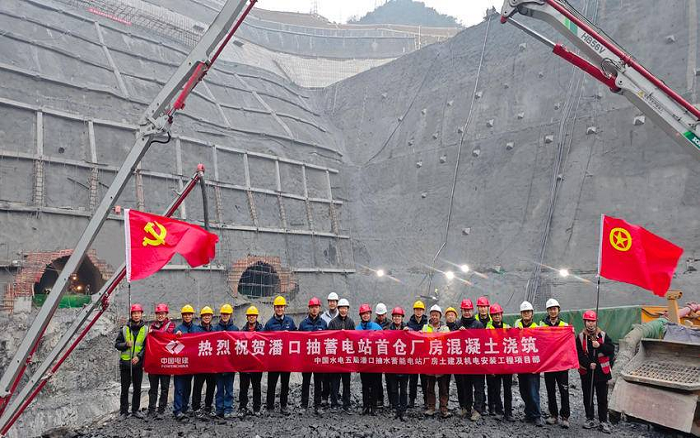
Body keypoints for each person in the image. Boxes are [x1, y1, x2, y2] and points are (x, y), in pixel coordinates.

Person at [577, 310, 614, 434]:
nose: (590, 324)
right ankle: (590, 418)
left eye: (592, 321)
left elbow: (611, 349)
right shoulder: (580, 337)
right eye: (588, 321)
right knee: (588, 396)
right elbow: (579, 354)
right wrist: (588, 364)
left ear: (596, 322)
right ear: (584, 322)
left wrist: (600, 346)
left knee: (602, 398)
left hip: (602, 373)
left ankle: (603, 421)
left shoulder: (603, 335)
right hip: (587, 373)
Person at [264, 295, 297, 415]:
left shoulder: (290, 321)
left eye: (281, 307)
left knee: (285, 384)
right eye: (277, 307)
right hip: (273, 360)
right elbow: (264, 340)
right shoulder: (269, 323)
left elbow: (297, 336)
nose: (279, 309)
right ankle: (270, 406)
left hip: (286, 360)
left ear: (284, 308)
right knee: (271, 384)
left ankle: (284, 406)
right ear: (274, 308)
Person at [540, 298, 570, 428]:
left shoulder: (564, 325)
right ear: (547, 311)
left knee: (564, 390)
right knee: (550, 390)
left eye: (555, 309)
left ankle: (565, 416)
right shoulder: (542, 325)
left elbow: (569, 344)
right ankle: (553, 415)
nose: (553, 311)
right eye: (550, 309)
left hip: (562, 365)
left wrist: (571, 333)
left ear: (558, 310)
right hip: (549, 364)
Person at [115, 304, 147, 419]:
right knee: (124, 389)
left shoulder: (146, 330)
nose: (136, 315)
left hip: (137, 364)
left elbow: (146, 346)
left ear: (141, 314)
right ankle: (124, 411)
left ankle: (135, 410)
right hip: (125, 364)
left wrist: (139, 357)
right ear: (131, 315)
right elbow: (117, 344)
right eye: (134, 313)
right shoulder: (124, 329)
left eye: (138, 313)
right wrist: (125, 344)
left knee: (137, 388)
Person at [515, 300, 544, 426]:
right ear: (521, 314)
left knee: (533, 391)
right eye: (524, 312)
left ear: (532, 313)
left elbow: (542, 347)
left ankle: (536, 415)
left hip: (533, 366)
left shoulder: (536, 328)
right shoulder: (517, 327)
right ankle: (528, 414)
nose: (526, 314)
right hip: (521, 365)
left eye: (528, 312)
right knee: (524, 391)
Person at [298, 297, 327, 415]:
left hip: (319, 358)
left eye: (316, 307)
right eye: (312, 307)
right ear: (309, 309)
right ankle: (304, 405)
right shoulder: (303, 324)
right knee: (305, 382)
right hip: (306, 359)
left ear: (319, 308)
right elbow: (298, 341)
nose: (314, 309)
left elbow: (327, 341)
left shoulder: (323, 324)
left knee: (318, 382)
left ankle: (317, 406)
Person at [485, 303, 514, 422]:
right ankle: (498, 411)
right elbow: (486, 348)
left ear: (502, 315)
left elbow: (515, 342)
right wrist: (490, 367)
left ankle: (508, 412)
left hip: (506, 364)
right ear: (491, 316)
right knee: (496, 389)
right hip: (495, 364)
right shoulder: (487, 329)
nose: (497, 316)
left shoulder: (508, 327)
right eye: (494, 314)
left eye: (498, 314)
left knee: (508, 390)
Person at [457, 298, 485, 421]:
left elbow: (483, 342)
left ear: (472, 310)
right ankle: (466, 408)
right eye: (465, 310)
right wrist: (458, 333)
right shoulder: (458, 324)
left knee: (478, 387)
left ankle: (477, 410)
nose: (467, 312)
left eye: (469, 310)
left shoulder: (478, 325)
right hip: (464, 362)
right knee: (466, 387)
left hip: (477, 363)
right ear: (461, 311)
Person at [422, 305, 451, 418]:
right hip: (429, 362)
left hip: (441, 363)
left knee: (443, 387)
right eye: (432, 315)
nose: (434, 317)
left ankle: (443, 408)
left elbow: (449, 342)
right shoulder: (425, 328)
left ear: (440, 316)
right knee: (430, 387)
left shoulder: (445, 329)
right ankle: (431, 407)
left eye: (436, 315)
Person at [147, 303, 174, 418]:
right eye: (158, 314)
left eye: (162, 313)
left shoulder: (170, 326)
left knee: (164, 388)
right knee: (153, 388)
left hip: (165, 362)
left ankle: (161, 410)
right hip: (154, 362)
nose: (160, 316)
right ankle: (151, 409)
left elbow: (166, 336)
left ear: (166, 314)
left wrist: (153, 333)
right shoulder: (152, 326)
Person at [328, 298, 354, 411]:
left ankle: (346, 404)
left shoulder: (351, 322)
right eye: (341, 308)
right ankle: (334, 403)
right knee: (335, 381)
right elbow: (329, 340)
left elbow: (353, 339)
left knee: (346, 382)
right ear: (338, 309)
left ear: (347, 309)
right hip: (336, 357)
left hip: (347, 358)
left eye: (345, 308)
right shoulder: (333, 323)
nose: (343, 310)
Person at [356, 303, 382, 415]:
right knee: (365, 385)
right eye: (363, 314)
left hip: (375, 362)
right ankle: (365, 406)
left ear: (370, 314)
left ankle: (374, 406)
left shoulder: (377, 327)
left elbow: (383, 343)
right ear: (361, 315)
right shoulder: (357, 329)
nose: (365, 315)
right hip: (363, 362)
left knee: (375, 385)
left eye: (367, 313)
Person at [214, 304, 239, 419]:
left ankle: (228, 408)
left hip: (230, 364)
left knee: (229, 388)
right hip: (218, 364)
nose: (225, 316)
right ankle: (219, 409)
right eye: (223, 314)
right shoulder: (215, 329)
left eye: (227, 314)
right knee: (219, 388)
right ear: (221, 315)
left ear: (230, 315)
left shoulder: (235, 329)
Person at [173, 304, 197, 420]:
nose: (187, 316)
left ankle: (184, 407)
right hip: (180, 364)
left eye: (189, 314)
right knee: (179, 388)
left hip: (191, 364)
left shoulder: (197, 329)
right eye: (185, 315)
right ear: (182, 316)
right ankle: (177, 410)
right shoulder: (177, 329)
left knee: (187, 387)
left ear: (192, 315)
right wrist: (176, 337)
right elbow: (172, 346)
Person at [239, 306, 263, 417]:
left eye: (253, 315)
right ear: (247, 317)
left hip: (257, 364)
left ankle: (256, 408)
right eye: (249, 315)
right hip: (244, 364)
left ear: (256, 317)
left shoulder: (262, 331)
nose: (251, 317)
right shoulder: (242, 331)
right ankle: (242, 407)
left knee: (256, 387)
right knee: (243, 387)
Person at [192, 306, 216, 419]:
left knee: (211, 386)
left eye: (209, 315)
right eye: (205, 315)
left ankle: (208, 406)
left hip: (211, 364)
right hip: (199, 365)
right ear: (201, 317)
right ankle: (196, 408)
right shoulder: (196, 330)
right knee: (198, 386)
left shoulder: (215, 330)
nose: (207, 317)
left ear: (211, 317)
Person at [385, 307, 408, 420]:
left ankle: (403, 410)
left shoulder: (407, 328)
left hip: (404, 365)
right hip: (392, 364)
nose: (397, 318)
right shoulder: (387, 329)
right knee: (393, 389)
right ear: (392, 318)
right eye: (395, 316)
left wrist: (409, 332)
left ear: (402, 318)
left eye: (399, 316)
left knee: (403, 390)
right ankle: (395, 408)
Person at [406, 300, 428, 409]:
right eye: (417, 309)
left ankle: (426, 400)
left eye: (420, 309)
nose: (418, 311)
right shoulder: (409, 323)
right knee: (413, 379)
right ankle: (411, 400)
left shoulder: (427, 323)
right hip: (413, 355)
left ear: (423, 311)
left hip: (424, 356)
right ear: (414, 310)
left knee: (425, 380)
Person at [320, 292, 340, 407]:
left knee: (336, 376)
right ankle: (324, 396)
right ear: (328, 303)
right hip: (326, 350)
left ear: (337, 303)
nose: (332, 303)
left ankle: (335, 397)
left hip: (338, 352)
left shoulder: (341, 316)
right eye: (330, 301)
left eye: (334, 301)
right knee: (325, 375)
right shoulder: (323, 317)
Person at [373, 302, 390, 409]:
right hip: (378, 354)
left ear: (385, 314)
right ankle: (379, 399)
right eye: (379, 315)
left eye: (382, 315)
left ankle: (391, 400)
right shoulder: (373, 324)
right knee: (377, 379)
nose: (381, 317)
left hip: (388, 355)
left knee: (389, 379)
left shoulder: (390, 323)